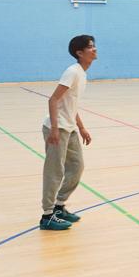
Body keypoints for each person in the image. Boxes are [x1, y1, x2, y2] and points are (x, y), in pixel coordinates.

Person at [40, 35, 96, 231]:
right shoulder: (72, 72)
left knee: (77, 167)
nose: (94, 49)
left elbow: (70, 104)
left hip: (70, 127)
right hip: (57, 129)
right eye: (90, 47)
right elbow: (53, 100)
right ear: (79, 53)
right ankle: (47, 216)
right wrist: (55, 129)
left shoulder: (82, 73)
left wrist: (81, 127)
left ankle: (58, 205)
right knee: (55, 171)